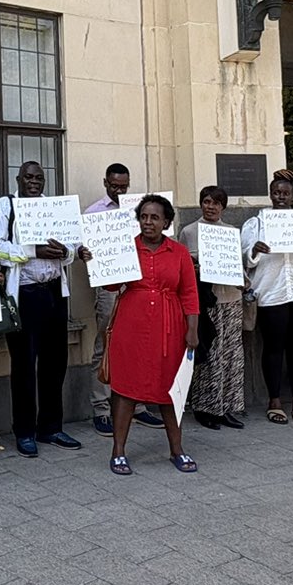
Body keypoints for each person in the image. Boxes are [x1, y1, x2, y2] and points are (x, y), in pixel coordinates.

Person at [0, 160, 84, 456]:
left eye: (39, 178)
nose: (33, 182)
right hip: (24, 296)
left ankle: (51, 427)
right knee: (25, 365)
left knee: (56, 363)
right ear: (18, 179)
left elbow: (74, 248)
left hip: (54, 292)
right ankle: (25, 431)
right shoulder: (5, 207)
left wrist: (65, 252)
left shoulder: (55, 208)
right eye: (28, 177)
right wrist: (32, 251)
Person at [101, 195, 202, 475]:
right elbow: (110, 286)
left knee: (171, 389)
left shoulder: (179, 252)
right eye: (144, 217)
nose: (148, 222)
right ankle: (118, 451)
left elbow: (190, 293)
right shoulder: (126, 248)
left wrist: (192, 330)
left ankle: (177, 449)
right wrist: (97, 260)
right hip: (131, 327)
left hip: (170, 329)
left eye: (154, 217)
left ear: (166, 222)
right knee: (125, 389)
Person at [82, 163, 161, 437]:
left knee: (138, 343)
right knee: (105, 343)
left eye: (123, 187)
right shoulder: (93, 213)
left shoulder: (139, 210)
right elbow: (86, 250)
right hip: (108, 286)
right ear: (105, 183)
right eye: (114, 186)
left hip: (139, 285)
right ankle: (101, 409)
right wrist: (85, 254)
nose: (119, 190)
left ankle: (137, 405)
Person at [241, 169, 293, 424]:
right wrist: (255, 249)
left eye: (285, 193)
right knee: (273, 349)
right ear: (270, 195)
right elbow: (243, 258)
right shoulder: (257, 223)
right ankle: (274, 399)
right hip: (271, 293)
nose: (280, 197)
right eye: (276, 193)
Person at [179, 185, 246, 431]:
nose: (210, 207)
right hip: (206, 303)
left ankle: (226, 407)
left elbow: (237, 265)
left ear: (223, 207)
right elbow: (181, 267)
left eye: (216, 203)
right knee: (209, 356)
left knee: (230, 355)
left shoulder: (231, 232)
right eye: (207, 201)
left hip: (230, 300)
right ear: (201, 203)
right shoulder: (189, 231)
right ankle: (204, 408)